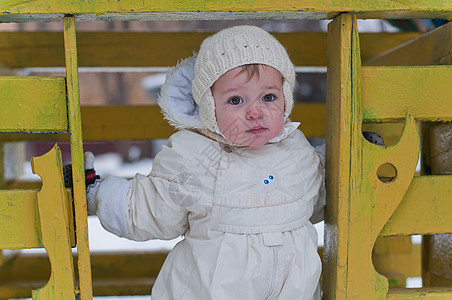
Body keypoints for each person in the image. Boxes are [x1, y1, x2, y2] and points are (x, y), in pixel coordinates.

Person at [85, 25, 326, 299]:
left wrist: (355, 154)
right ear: (209, 106)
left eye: (268, 97)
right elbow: (151, 207)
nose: (256, 112)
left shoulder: (297, 150)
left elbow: (321, 192)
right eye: (236, 100)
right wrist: (99, 193)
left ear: (286, 98)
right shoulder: (195, 156)